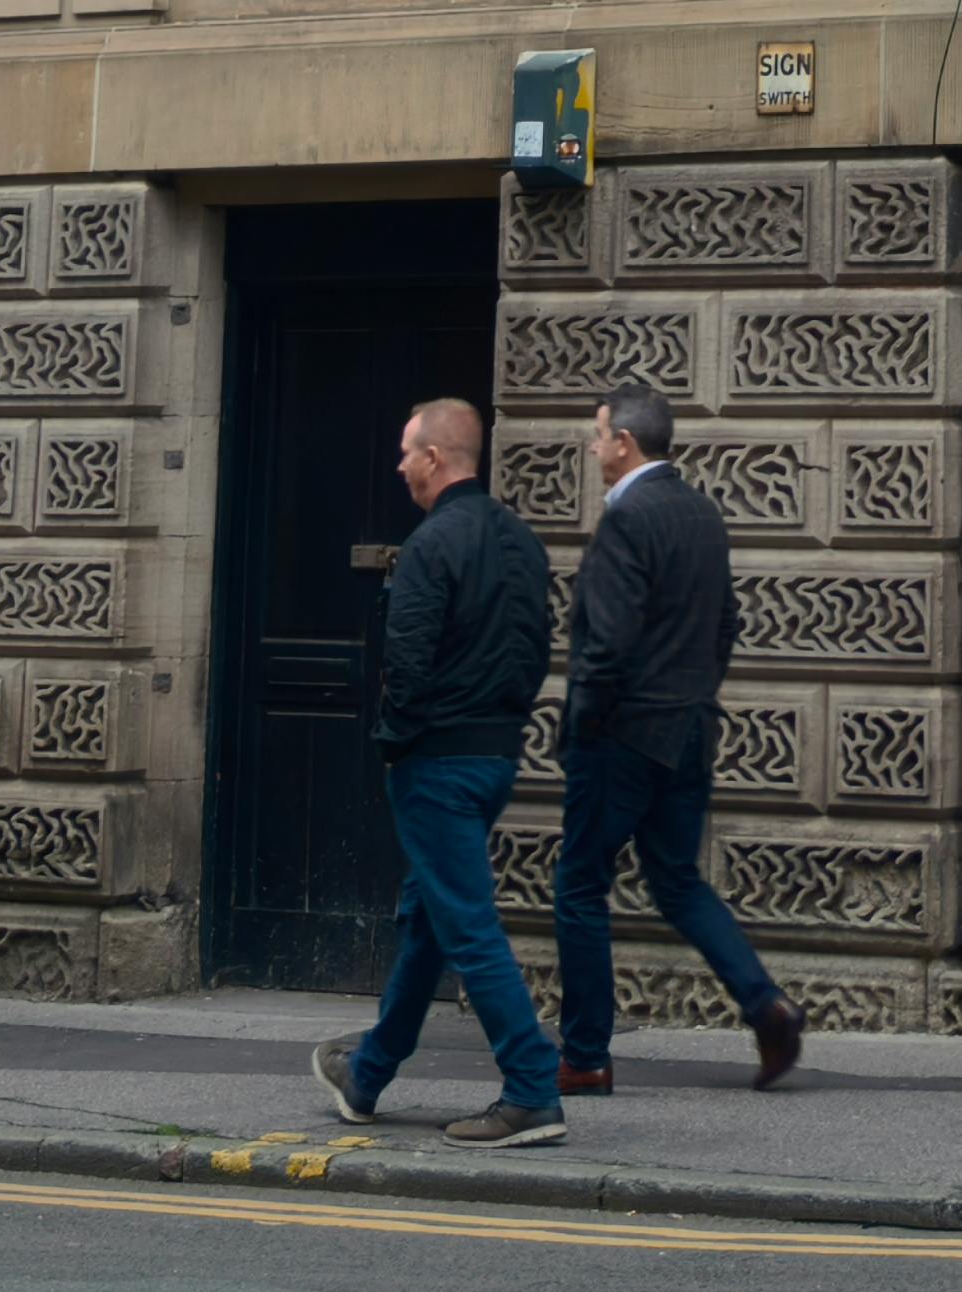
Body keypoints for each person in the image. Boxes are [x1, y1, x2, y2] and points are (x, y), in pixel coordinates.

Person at [308, 392, 564, 1148]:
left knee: (468, 925)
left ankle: (532, 1088)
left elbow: (408, 659)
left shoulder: (430, 544)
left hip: (437, 762)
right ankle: (368, 1073)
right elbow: (536, 647)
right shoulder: (522, 541)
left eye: (405, 451)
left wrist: (395, 741)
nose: (397, 466)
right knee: (431, 916)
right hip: (495, 753)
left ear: (433, 458)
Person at [550, 382, 799, 1094]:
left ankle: (585, 1057)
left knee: (579, 886)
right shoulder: (702, 513)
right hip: (690, 729)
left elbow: (607, 643)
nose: (594, 448)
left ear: (624, 443)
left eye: (598, 436)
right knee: (677, 880)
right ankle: (765, 1002)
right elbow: (727, 625)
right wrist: (693, 696)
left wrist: (584, 726)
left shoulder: (628, 520)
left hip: (622, 735)